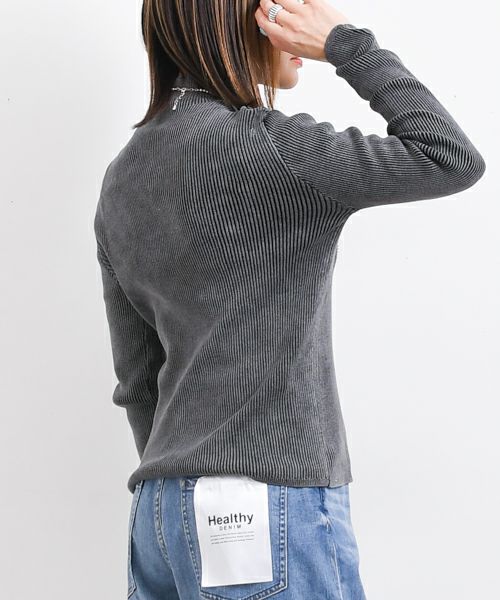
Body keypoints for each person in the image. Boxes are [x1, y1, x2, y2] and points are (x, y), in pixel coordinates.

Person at [93, 0, 486, 598]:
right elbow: (449, 156)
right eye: (282, 7)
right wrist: (344, 44)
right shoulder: (273, 148)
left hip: (159, 510)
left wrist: (192, 485)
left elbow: (139, 379)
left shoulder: (123, 174)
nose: (302, 19)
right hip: (262, 504)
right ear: (237, 22)